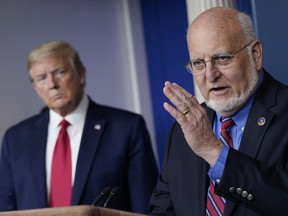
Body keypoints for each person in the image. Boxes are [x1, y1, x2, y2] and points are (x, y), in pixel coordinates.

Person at [149, 7, 288, 216]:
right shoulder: (183, 131)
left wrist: (213, 150)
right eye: (198, 63)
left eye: (222, 58)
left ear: (255, 54)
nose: (210, 75)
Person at [0, 41, 159, 213]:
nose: (52, 84)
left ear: (81, 74)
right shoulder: (15, 139)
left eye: (60, 72)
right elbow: (6, 209)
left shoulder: (127, 127)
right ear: (36, 88)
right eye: (42, 78)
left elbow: (145, 205)